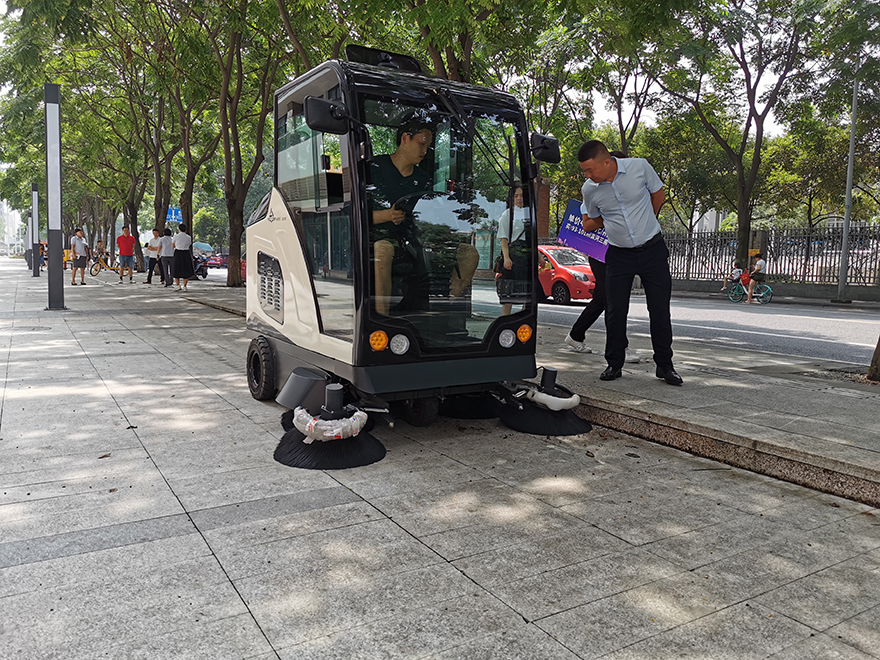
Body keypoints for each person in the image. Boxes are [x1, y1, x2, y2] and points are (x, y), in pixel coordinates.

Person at [577, 140, 682, 385]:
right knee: (615, 311)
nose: (587, 175)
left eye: (590, 169)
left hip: (652, 251)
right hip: (619, 255)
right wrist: (614, 221)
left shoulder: (639, 167)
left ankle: (665, 365)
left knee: (659, 310)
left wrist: (645, 221)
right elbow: (591, 221)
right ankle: (614, 364)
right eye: (584, 171)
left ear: (607, 161)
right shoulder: (590, 189)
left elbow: (658, 195)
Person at [370, 119, 478, 315]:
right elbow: (354, 214)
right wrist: (387, 215)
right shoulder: (374, 168)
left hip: (417, 240)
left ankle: (440, 314)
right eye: (422, 143)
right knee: (383, 249)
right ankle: (381, 320)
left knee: (469, 253)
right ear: (405, 138)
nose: (425, 150)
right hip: (381, 238)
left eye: (428, 146)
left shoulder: (423, 178)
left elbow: (428, 211)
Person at [565, 150, 639, 364]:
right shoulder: (597, 190)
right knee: (613, 298)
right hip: (602, 252)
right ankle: (620, 347)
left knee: (602, 298)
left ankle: (575, 335)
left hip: (612, 250)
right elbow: (587, 220)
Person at [496, 185, 530, 316]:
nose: (519, 198)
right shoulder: (507, 214)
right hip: (513, 256)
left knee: (527, 290)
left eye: (521, 195)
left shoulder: (529, 214)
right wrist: (506, 258)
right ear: (511, 198)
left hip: (526, 256)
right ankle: (505, 318)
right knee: (508, 290)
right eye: (516, 196)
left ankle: (523, 317)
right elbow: (503, 238)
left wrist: (538, 257)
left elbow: (531, 239)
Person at [171, 223, 194, 291]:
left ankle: (178, 285)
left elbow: (173, 245)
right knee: (186, 269)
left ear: (179, 229)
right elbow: (189, 245)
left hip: (178, 252)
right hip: (186, 253)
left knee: (176, 268)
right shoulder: (188, 237)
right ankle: (185, 286)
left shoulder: (176, 236)